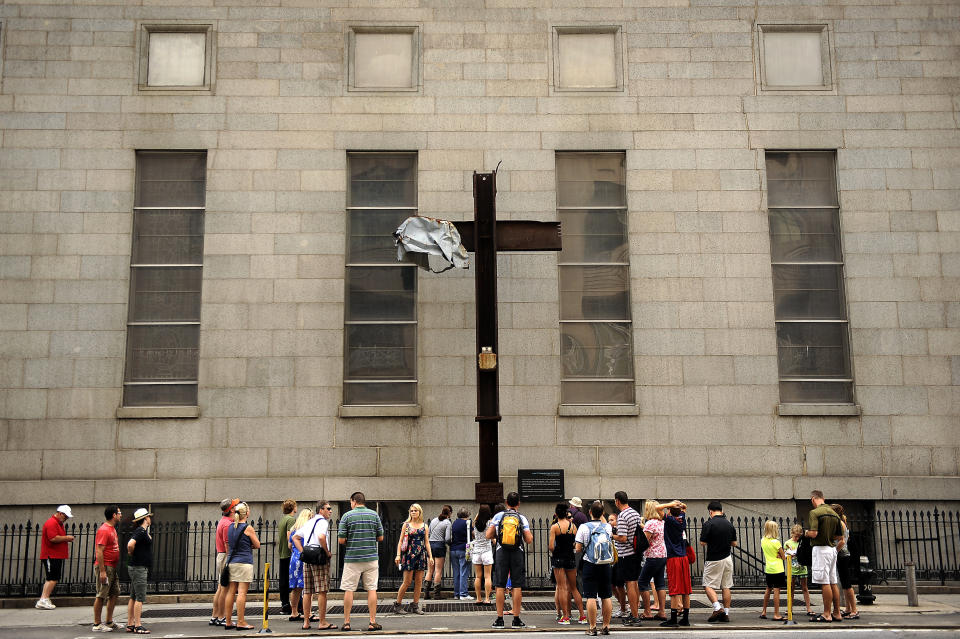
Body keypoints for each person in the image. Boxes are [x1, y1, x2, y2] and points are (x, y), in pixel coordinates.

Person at [487, 491, 534, 629]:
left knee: (500, 585)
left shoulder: (498, 516)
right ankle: (516, 619)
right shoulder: (521, 518)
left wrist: (499, 534)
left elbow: (488, 535)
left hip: (501, 552)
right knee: (517, 585)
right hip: (517, 553)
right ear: (518, 503)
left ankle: (499, 619)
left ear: (506, 503)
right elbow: (529, 539)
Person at [338, 491, 385, 631]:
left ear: (353, 501)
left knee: (349, 589)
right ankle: (372, 621)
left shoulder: (347, 516)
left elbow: (341, 540)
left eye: (350, 502)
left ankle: (347, 622)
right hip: (371, 558)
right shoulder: (374, 515)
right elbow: (381, 537)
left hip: (352, 558)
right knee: (372, 589)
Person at [574, 500, 613, 636]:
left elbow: (578, 549)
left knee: (591, 596)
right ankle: (606, 626)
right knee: (606, 596)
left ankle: (592, 627)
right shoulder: (607, 527)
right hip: (605, 564)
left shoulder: (584, 527)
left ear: (589, 512)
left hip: (590, 564)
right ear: (603, 513)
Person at [293, 501, 334, 630]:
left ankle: (306, 622)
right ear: (320, 510)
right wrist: (327, 552)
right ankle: (322, 622)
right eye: (328, 508)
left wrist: (303, 552)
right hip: (319, 557)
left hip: (308, 557)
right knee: (322, 591)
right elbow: (321, 537)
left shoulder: (309, 522)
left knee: (308, 591)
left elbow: (295, 537)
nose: (330, 511)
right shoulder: (322, 522)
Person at [806, 490, 843, 623]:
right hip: (832, 549)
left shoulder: (814, 513)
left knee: (824, 582)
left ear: (812, 499)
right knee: (833, 581)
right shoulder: (834, 513)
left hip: (821, 549)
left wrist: (806, 533)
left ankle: (826, 614)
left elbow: (814, 533)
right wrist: (828, 535)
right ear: (823, 498)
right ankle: (837, 612)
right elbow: (839, 536)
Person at [223, 502, 261, 631]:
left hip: (231, 561)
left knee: (230, 591)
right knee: (242, 592)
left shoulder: (230, 527)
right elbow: (257, 545)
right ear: (247, 513)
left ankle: (228, 621)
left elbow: (228, 545)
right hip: (244, 562)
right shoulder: (247, 528)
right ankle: (241, 621)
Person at [700, 500, 737, 622]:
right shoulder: (729, 524)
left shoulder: (708, 524)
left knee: (707, 584)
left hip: (714, 558)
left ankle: (717, 607)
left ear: (710, 511)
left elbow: (703, 543)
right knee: (726, 586)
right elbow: (734, 543)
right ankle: (726, 613)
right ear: (722, 510)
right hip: (727, 558)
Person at [393, 503, 433, 614]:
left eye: (415, 510)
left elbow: (427, 542)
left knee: (419, 582)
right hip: (409, 555)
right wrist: (398, 554)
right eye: (412, 511)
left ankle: (415, 605)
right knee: (407, 581)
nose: (413, 512)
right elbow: (400, 541)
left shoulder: (424, 526)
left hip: (421, 555)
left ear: (420, 512)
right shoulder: (406, 525)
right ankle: (398, 604)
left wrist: (431, 556)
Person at [549, 503, 585, 625]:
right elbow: (576, 543)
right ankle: (582, 616)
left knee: (562, 587)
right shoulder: (573, 526)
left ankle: (565, 616)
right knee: (574, 588)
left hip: (559, 558)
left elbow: (550, 546)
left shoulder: (555, 527)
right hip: (570, 557)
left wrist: (557, 550)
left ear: (556, 514)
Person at [610, 491, 642, 626]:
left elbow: (623, 538)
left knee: (629, 585)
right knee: (634, 583)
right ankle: (634, 613)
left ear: (617, 501)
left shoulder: (623, 515)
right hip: (635, 553)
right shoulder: (635, 513)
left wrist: (611, 535)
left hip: (626, 554)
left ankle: (634, 616)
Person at [638, 500, 673, 621]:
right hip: (662, 555)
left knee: (642, 582)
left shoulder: (650, 523)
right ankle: (662, 612)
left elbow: (645, 541)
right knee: (660, 583)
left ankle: (647, 611)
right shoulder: (662, 522)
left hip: (652, 556)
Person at [36, 505, 74, 610]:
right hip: (51, 555)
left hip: (55, 555)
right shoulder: (52, 523)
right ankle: (43, 599)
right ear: (60, 513)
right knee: (52, 578)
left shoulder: (57, 523)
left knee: (53, 578)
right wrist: (67, 538)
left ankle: (44, 599)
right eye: (65, 516)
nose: (66, 518)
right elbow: (53, 538)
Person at [660, 501, 691, 627]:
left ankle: (673, 619)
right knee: (685, 590)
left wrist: (670, 503)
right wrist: (678, 505)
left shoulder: (670, 520)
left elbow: (656, 508)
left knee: (674, 589)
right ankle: (686, 618)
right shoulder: (682, 519)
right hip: (684, 557)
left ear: (669, 512)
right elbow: (684, 508)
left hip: (673, 557)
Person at [92, 505, 122, 633]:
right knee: (101, 595)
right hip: (106, 567)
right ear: (114, 515)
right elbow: (99, 551)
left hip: (112, 567)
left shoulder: (112, 529)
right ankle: (97, 624)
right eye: (119, 513)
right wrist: (102, 571)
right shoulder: (104, 530)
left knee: (114, 593)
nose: (121, 515)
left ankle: (109, 621)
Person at [210, 498, 239, 627]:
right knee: (224, 589)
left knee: (220, 588)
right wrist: (230, 560)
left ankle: (215, 616)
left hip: (221, 555)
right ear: (231, 509)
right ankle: (221, 616)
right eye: (235, 505)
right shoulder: (228, 524)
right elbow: (228, 545)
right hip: (225, 556)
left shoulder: (224, 521)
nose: (237, 506)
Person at [125, 508, 153, 634]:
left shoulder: (142, 531)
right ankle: (137, 625)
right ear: (145, 518)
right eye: (149, 517)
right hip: (139, 568)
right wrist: (131, 552)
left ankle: (130, 624)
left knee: (133, 596)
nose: (150, 519)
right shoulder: (141, 531)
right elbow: (130, 544)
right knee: (140, 597)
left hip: (137, 567)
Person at [831, 503, 860, 620]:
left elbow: (842, 541)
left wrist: (834, 552)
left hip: (843, 555)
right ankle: (848, 609)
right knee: (844, 583)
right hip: (842, 555)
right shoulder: (841, 522)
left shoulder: (840, 523)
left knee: (847, 584)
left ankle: (854, 610)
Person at [286, 507, 313, 623]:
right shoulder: (308, 528)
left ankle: (294, 612)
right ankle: (309, 612)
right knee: (308, 588)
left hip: (294, 559)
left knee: (296, 588)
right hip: (304, 558)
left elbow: (289, 545)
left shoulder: (294, 529)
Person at [784, 524, 814, 616]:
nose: (797, 538)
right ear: (791, 534)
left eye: (798, 536)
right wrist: (788, 554)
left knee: (804, 588)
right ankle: (789, 608)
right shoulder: (787, 543)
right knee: (791, 588)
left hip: (802, 567)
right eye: (795, 536)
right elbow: (784, 555)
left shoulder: (802, 542)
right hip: (792, 568)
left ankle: (808, 608)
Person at [760, 520, 786, 621]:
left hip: (769, 568)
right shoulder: (776, 542)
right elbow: (784, 557)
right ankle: (776, 614)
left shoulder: (763, 540)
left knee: (768, 589)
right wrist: (780, 555)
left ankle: (764, 611)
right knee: (776, 591)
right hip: (778, 569)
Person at [424, 505, 452, 599]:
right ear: (450, 513)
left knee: (430, 570)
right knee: (438, 571)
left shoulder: (434, 520)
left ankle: (426, 593)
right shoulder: (447, 522)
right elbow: (448, 538)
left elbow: (429, 532)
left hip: (430, 545)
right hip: (440, 546)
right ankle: (436, 594)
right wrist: (449, 543)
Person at [277, 499, 298, 616]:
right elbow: (289, 536)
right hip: (289, 553)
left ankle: (284, 603)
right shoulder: (291, 520)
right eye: (295, 506)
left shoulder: (282, 520)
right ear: (293, 507)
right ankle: (294, 605)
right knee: (292, 581)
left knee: (283, 580)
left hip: (282, 553)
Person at [472, 505, 494, 605]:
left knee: (478, 577)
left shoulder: (475, 524)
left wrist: (479, 514)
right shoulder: (489, 523)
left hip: (476, 552)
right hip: (487, 552)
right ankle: (487, 599)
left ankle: (478, 598)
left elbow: (475, 518)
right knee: (487, 576)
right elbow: (492, 538)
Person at [450, 507, 473, 601]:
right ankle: (463, 593)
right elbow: (473, 534)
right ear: (467, 515)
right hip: (463, 549)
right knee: (464, 572)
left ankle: (456, 594)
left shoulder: (454, 523)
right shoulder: (467, 523)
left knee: (456, 573)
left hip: (453, 549)